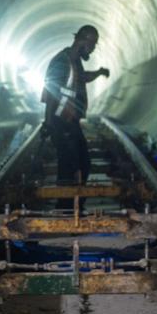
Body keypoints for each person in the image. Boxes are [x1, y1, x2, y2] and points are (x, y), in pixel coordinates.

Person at [40, 25, 110, 203]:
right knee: (72, 166)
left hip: (70, 122)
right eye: (92, 44)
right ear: (81, 40)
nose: (93, 48)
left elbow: (82, 77)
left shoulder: (74, 60)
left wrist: (99, 72)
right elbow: (50, 92)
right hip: (61, 122)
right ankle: (66, 209)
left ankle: (69, 207)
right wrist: (48, 123)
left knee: (79, 164)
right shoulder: (62, 61)